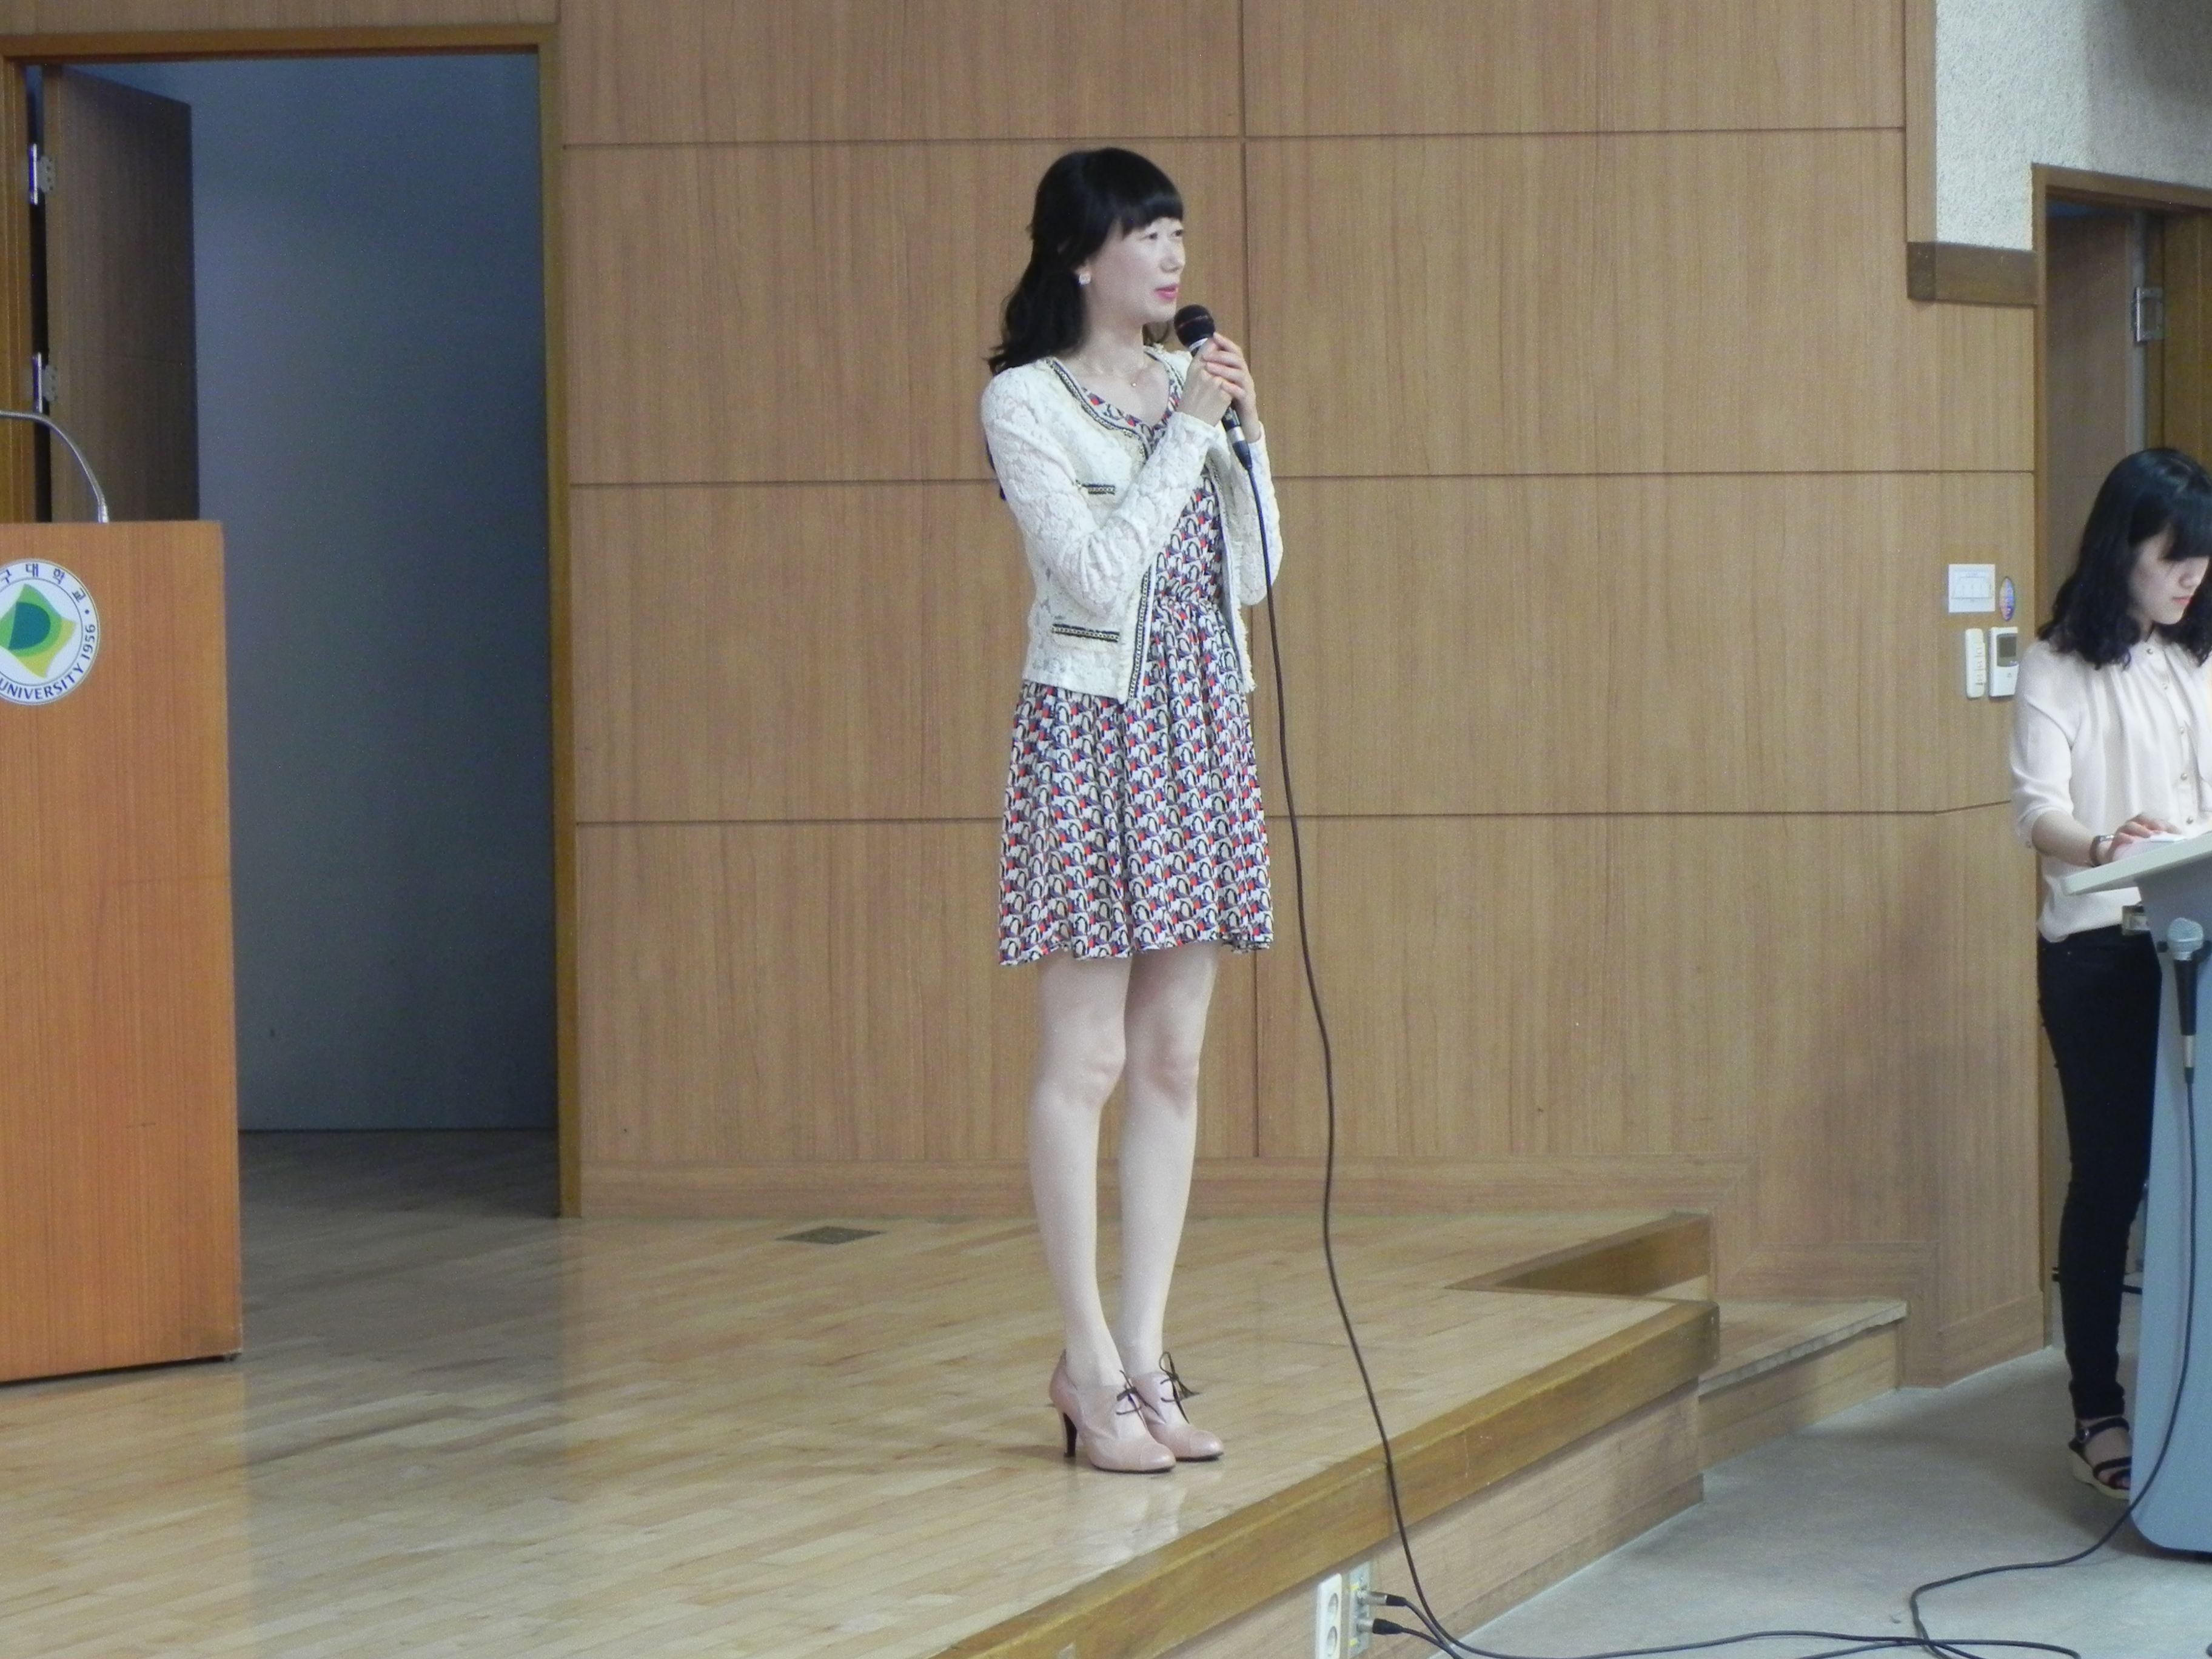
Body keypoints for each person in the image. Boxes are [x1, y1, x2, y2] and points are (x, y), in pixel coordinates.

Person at [979, 149, 1283, 1473]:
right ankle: (1087, 1363)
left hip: (1201, 727)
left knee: (1173, 1063)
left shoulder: (1194, 387)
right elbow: (1096, 578)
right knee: (1088, 1062)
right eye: (1147, 233)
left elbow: (1255, 575)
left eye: (1178, 233)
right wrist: (1188, 439)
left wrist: (1241, 435)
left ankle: (1150, 1358)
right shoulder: (1025, 401)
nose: (1172, 257)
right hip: (1093, 732)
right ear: (1079, 253)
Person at [2011, 446, 2212, 1497]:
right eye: (2175, 558)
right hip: (2100, 952)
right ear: (2120, 547)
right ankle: (2097, 1405)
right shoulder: (2057, 664)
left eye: (2204, 561)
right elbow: (2036, 812)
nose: (2192, 578)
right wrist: (2105, 845)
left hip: (2200, 941)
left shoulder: (2197, 657)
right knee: (2113, 1178)